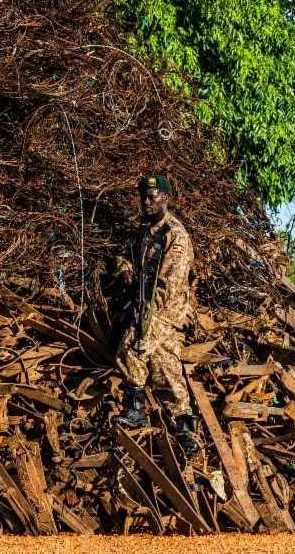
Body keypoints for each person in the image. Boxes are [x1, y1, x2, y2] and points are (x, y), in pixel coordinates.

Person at [112, 175, 200, 454]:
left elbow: (169, 283)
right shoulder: (143, 232)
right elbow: (123, 255)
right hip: (148, 307)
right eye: (144, 197)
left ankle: (136, 409)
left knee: (132, 347)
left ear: (166, 198)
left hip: (167, 311)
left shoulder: (175, 235)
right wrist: (124, 269)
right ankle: (185, 430)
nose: (146, 202)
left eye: (152, 196)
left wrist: (146, 313)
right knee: (165, 370)